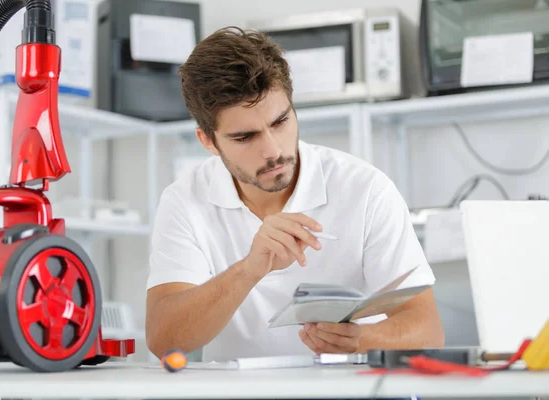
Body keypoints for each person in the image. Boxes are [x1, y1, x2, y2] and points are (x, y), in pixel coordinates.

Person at [145, 26, 445, 363]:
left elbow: (427, 327)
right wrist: (249, 270)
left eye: (280, 121)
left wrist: (361, 339)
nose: (272, 150)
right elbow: (164, 339)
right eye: (245, 137)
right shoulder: (185, 200)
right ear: (208, 142)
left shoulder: (365, 190)